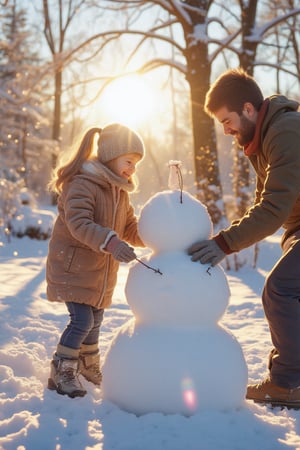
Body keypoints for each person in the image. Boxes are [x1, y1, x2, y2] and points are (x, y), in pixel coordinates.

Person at [188, 68, 300, 408]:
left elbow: (273, 207)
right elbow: (260, 207)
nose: (226, 131)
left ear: (249, 109)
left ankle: (289, 384)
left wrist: (223, 244)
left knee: (280, 289)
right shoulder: (263, 139)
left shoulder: (285, 132)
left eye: (227, 120)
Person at [46, 123, 145, 398]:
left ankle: (88, 366)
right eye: (129, 161)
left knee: (95, 320)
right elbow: (79, 223)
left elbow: (129, 227)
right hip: (73, 267)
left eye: (136, 164)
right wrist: (112, 243)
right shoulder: (82, 184)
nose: (132, 169)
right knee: (81, 322)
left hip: (97, 273)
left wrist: (154, 232)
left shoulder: (119, 192)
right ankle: (62, 370)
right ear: (111, 156)